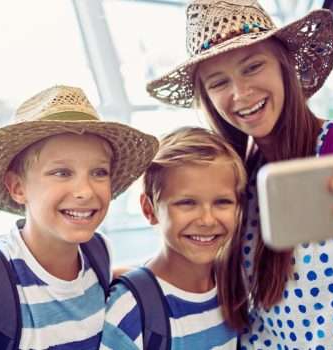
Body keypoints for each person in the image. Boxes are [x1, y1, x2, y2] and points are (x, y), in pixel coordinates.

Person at [146, 0, 333, 348]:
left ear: (284, 64)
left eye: (253, 67)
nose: (240, 94)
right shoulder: (239, 183)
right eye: (218, 82)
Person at [0, 85, 158, 349]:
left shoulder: (98, 252)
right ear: (17, 188)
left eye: (99, 172)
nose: (85, 191)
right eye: (61, 172)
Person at [101, 126, 248, 349]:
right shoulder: (129, 307)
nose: (207, 220)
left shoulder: (235, 290)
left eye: (222, 202)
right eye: (187, 203)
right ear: (149, 210)